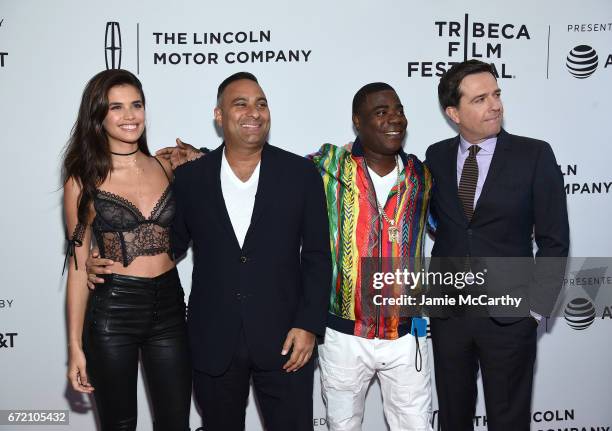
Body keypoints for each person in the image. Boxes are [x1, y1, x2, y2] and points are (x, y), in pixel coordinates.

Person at [90, 72, 332, 431]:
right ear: (219, 116)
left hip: (286, 341)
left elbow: (317, 255)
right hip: (212, 341)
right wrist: (106, 253)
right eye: (241, 104)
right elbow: (168, 243)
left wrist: (308, 325)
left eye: (261, 103)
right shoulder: (192, 178)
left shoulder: (301, 173)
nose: (254, 112)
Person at [425, 60, 569, 430]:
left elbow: (554, 240)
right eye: (480, 99)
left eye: (496, 94)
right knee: (452, 419)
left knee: (509, 420)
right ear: (453, 113)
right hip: (450, 317)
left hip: (510, 318)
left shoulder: (535, 155)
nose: (495, 105)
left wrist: (535, 311)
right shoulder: (435, 157)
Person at [62, 69, 191, 431]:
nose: (130, 115)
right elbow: (76, 265)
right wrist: (74, 346)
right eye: (116, 107)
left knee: (175, 423)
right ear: (98, 116)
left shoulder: (167, 166)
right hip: (113, 311)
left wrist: (198, 154)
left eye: (136, 104)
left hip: (168, 306)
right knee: (119, 425)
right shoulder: (82, 180)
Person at [307, 83, 434, 431]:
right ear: (357, 122)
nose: (394, 118)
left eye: (398, 110)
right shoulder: (327, 166)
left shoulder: (420, 176)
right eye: (381, 112)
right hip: (344, 335)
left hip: (408, 334)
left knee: (416, 425)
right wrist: (202, 156)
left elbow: (455, 225)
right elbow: (270, 176)